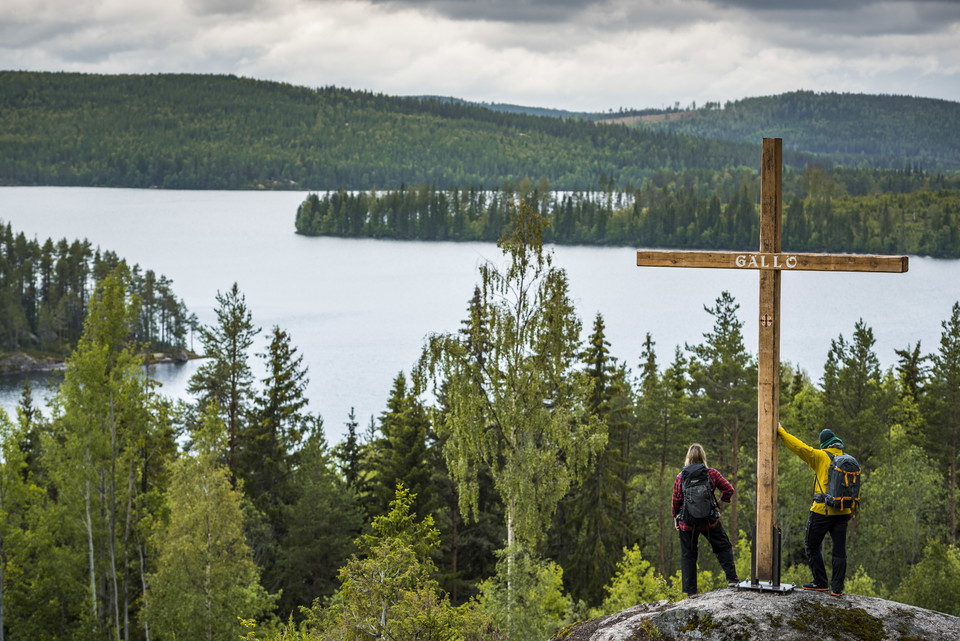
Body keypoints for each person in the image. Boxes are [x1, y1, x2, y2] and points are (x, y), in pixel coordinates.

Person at [778, 423, 853, 596]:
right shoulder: (848, 460)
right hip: (843, 511)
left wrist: (781, 432)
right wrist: (851, 511)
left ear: (824, 444)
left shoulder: (820, 456)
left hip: (822, 510)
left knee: (811, 545)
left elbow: (799, 447)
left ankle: (820, 582)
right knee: (839, 550)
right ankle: (837, 589)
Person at [672, 443, 739, 596]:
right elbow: (729, 489)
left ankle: (690, 592)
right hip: (709, 521)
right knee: (723, 547)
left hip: (687, 524)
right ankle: (732, 579)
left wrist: (675, 517)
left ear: (688, 457)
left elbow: (676, 500)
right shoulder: (712, 473)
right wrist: (720, 504)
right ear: (703, 456)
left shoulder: (680, 477)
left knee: (688, 555)